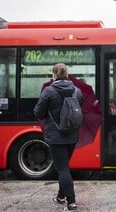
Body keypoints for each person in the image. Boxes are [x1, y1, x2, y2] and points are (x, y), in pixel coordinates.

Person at [34, 63, 83, 211]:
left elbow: (39, 113)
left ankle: (71, 202)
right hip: (72, 136)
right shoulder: (77, 91)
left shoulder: (48, 91)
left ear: (54, 75)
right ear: (67, 74)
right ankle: (61, 197)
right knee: (64, 168)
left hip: (56, 137)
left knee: (62, 169)